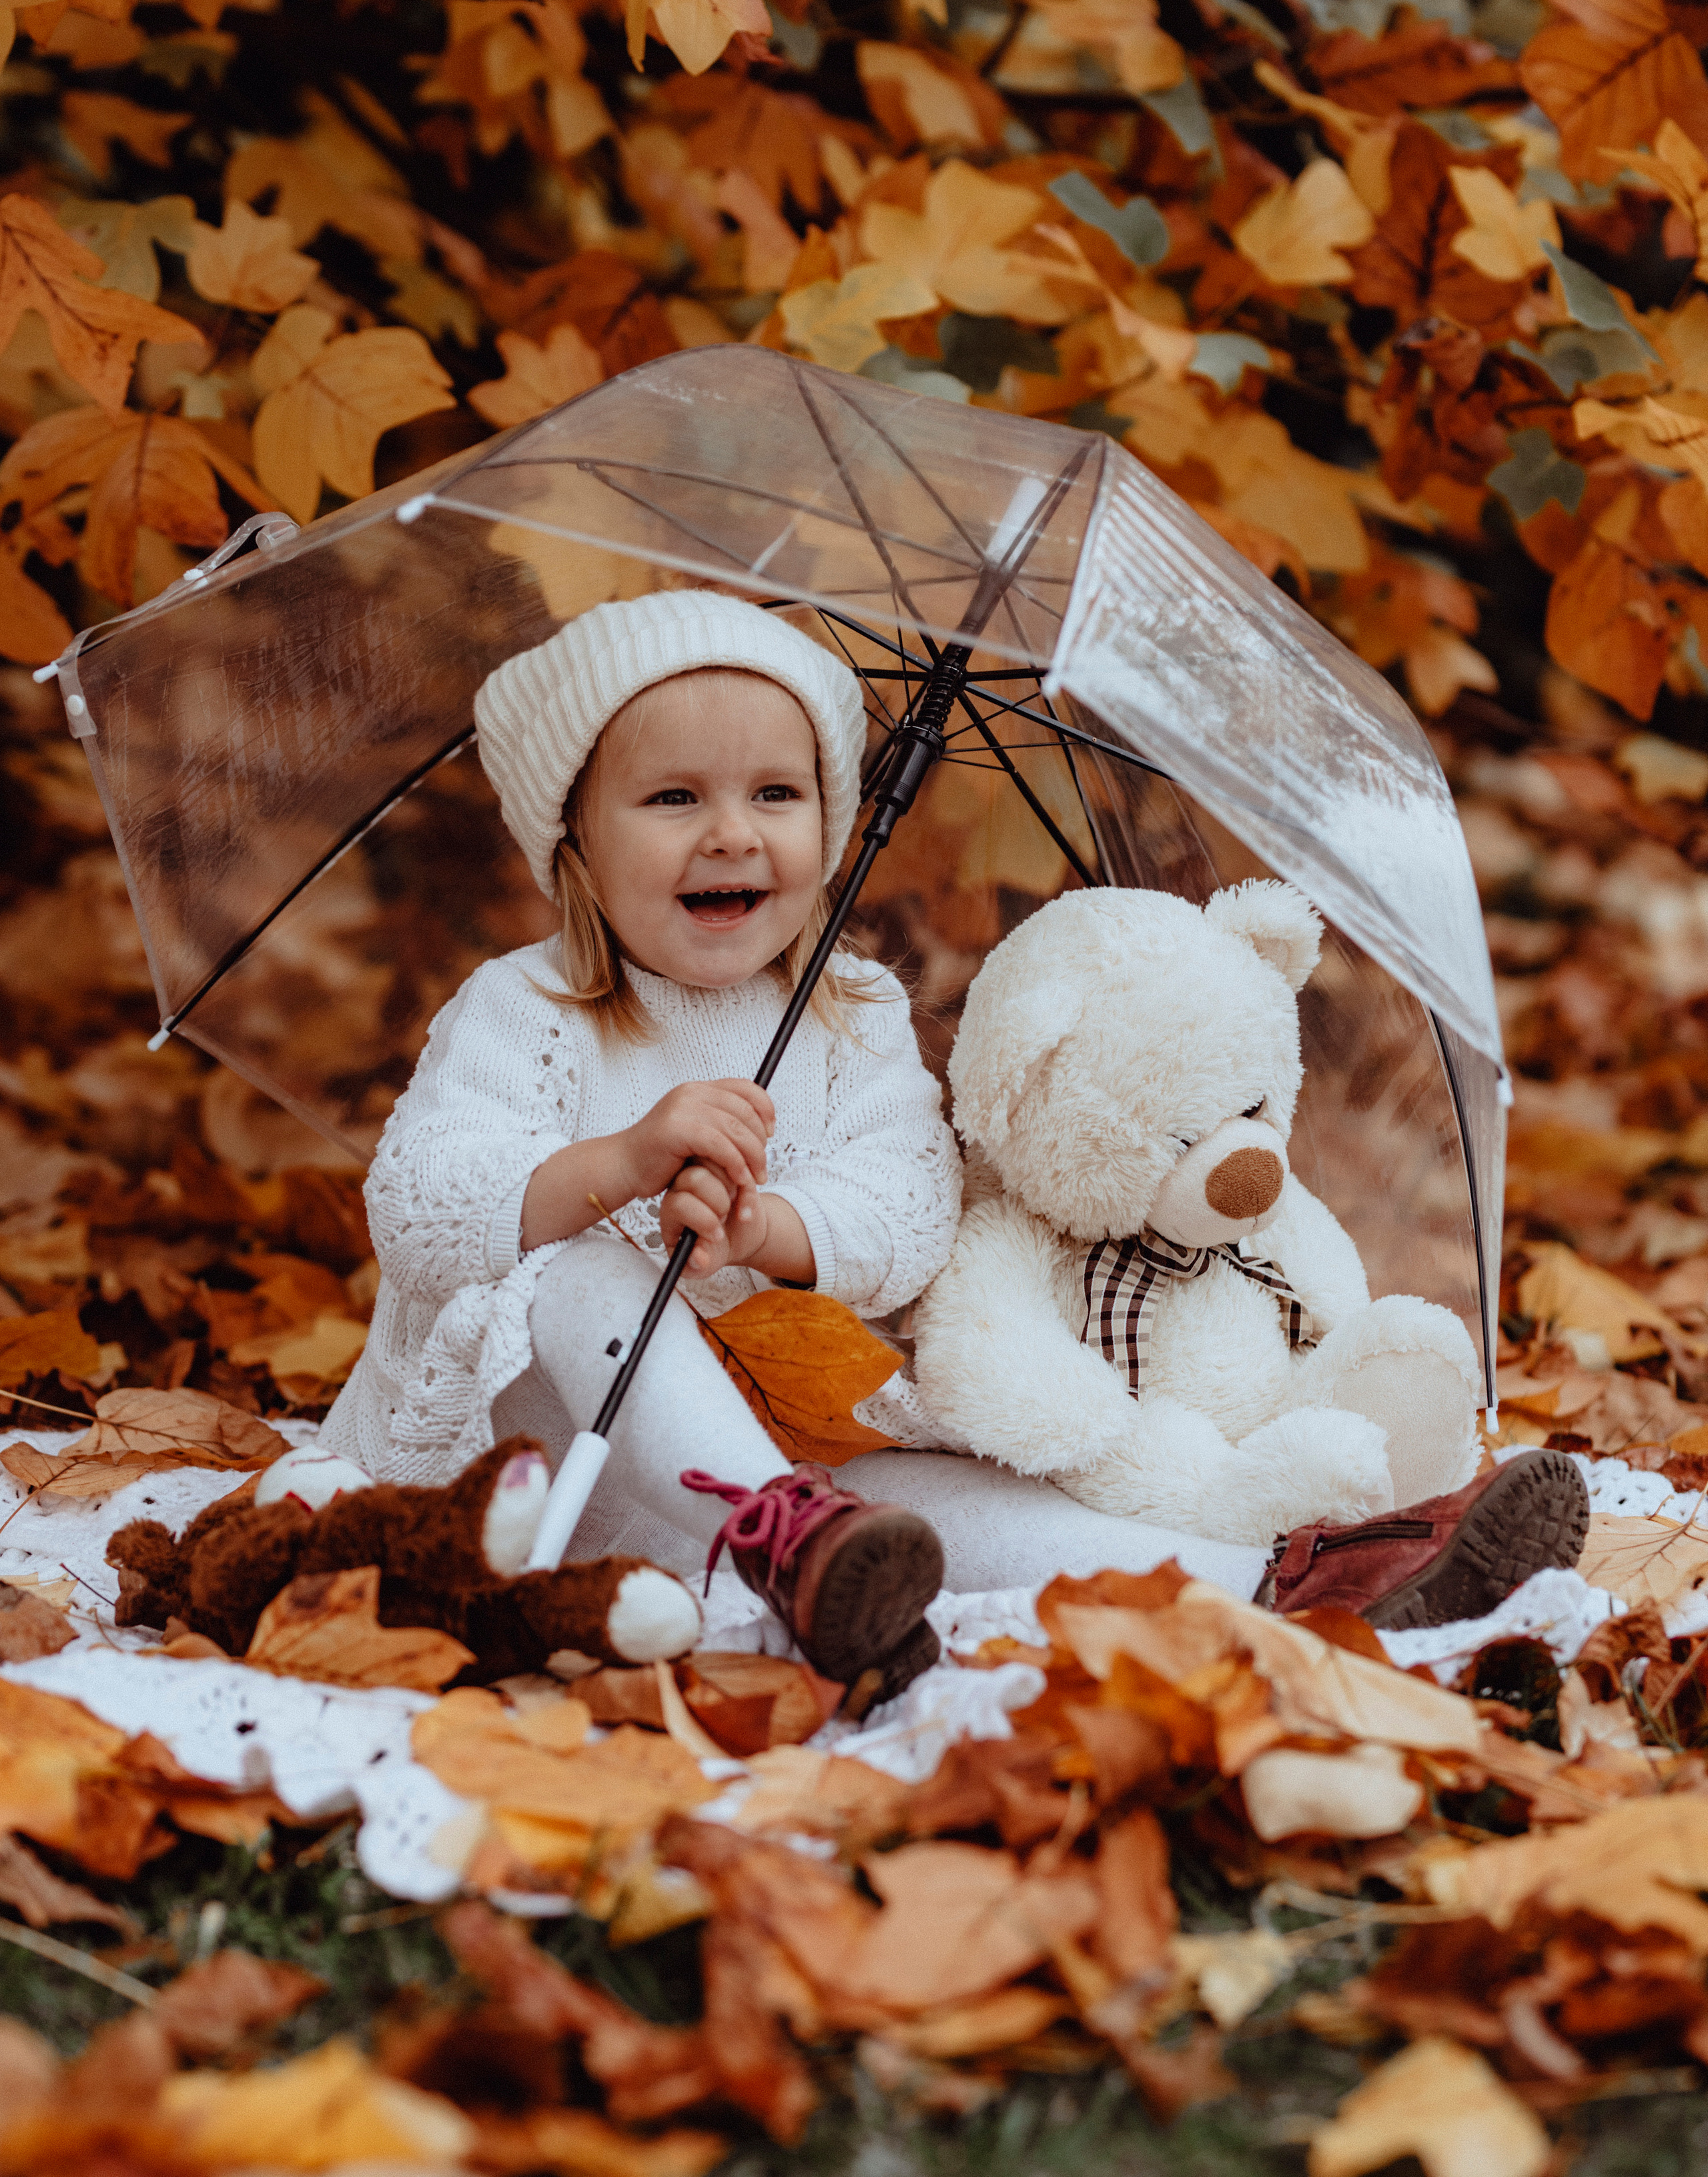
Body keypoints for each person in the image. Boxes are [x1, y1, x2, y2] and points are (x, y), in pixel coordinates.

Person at [322, 590, 1281, 1702]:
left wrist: (767, 1229)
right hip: (535, 1471)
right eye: (674, 796)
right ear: (575, 838)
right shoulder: (527, 1006)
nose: (732, 831)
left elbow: (912, 1206)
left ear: (830, 828)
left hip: (778, 1467)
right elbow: (420, 1203)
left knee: (922, 1507)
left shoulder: (852, 1010)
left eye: (776, 793)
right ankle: (779, 1531)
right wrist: (620, 1164)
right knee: (586, 1277)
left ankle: (1274, 1574)